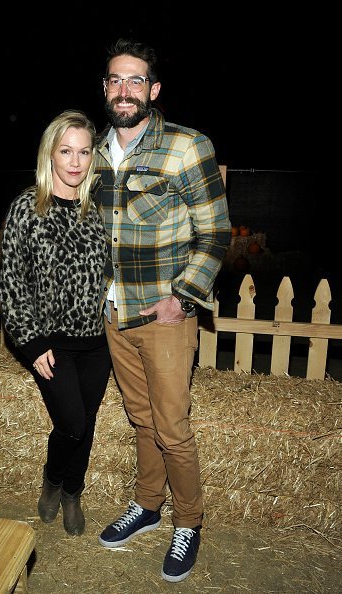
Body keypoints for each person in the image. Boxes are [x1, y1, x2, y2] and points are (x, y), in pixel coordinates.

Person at [92, 38, 231, 582]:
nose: (124, 90)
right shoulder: (94, 150)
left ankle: (188, 521)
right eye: (114, 80)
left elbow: (215, 232)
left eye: (135, 80)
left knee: (172, 426)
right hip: (113, 314)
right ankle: (147, 505)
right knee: (140, 417)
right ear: (105, 88)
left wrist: (184, 297)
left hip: (165, 316)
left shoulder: (186, 147)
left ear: (152, 90)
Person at [0, 109, 111, 536]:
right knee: (72, 423)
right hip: (52, 344)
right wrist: (31, 343)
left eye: (84, 152)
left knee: (88, 423)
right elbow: (11, 283)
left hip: (96, 344)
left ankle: (72, 493)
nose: (75, 161)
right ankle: (52, 479)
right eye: (66, 150)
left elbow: (107, 277)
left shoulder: (95, 214)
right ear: (50, 154)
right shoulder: (27, 208)